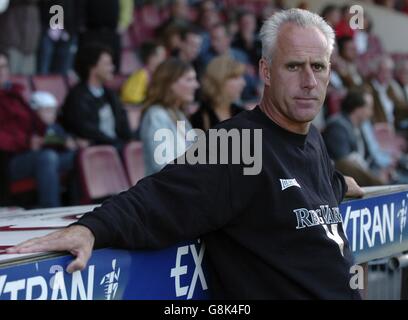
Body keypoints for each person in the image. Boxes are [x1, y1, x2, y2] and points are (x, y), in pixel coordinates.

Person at [8, 9, 364, 299]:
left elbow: (302, 190)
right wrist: (90, 229)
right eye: (293, 66)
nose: (309, 81)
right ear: (266, 72)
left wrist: (336, 182)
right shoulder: (240, 145)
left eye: (318, 67)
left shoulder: (312, 139)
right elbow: (158, 197)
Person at [0, 51, 75, 208]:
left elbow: (35, 126)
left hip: (30, 152)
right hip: (8, 162)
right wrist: (27, 142)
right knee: (47, 158)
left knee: (77, 156)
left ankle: (81, 210)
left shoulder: (15, 93)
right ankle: (52, 213)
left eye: (4, 66)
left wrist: (53, 133)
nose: (2, 71)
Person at [61, 43, 132, 151]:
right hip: (98, 150)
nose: (112, 68)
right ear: (93, 67)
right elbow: (86, 130)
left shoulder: (110, 94)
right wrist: (117, 143)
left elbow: (123, 124)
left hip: (116, 146)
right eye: (107, 64)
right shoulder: (78, 96)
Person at [138, 58, 199, 176]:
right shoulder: (156, 115)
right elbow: (164, 166)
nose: (196, 85)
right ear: (170, 83)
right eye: (189, 79)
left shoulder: (180, 115)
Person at [191, 55, 246, 131]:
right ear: (219, 80)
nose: (243, 83)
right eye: (236, 77)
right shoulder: (200, 117)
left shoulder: (241, 113)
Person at [120, 41, 167, 105]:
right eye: (161, 56)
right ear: (151, 57)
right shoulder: (141, 75)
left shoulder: (157, 75)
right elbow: (132, 100)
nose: (164, 60)